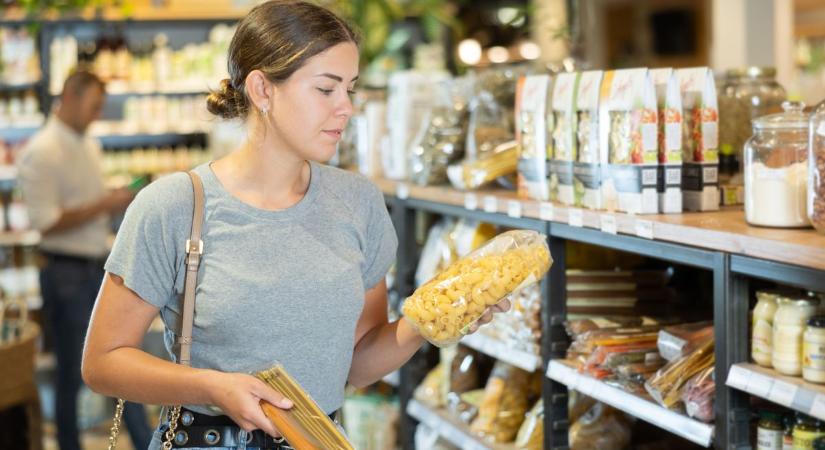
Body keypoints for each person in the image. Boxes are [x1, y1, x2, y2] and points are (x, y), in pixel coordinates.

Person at [81, 2, 510, 448]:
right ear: (263, 90)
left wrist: (430, 319)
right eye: (326, 89)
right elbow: (103, 362)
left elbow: (358, 365)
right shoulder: (173, 206)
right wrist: (213, 387)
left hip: (321, 439)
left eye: (350, 90)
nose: (345, 108)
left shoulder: (358, 203)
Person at [17, 70, 153, 450]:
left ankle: (145, 443)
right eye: (94, 106)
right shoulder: (42, 150)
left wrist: (114, 200)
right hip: (65, 272)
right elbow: (45, 223)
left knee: (124, 363)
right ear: (70, 97)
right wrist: (106, 203)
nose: (97, 114)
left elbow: (86, 206)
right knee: (72, 374)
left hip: (97, 267)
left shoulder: (86, 144)